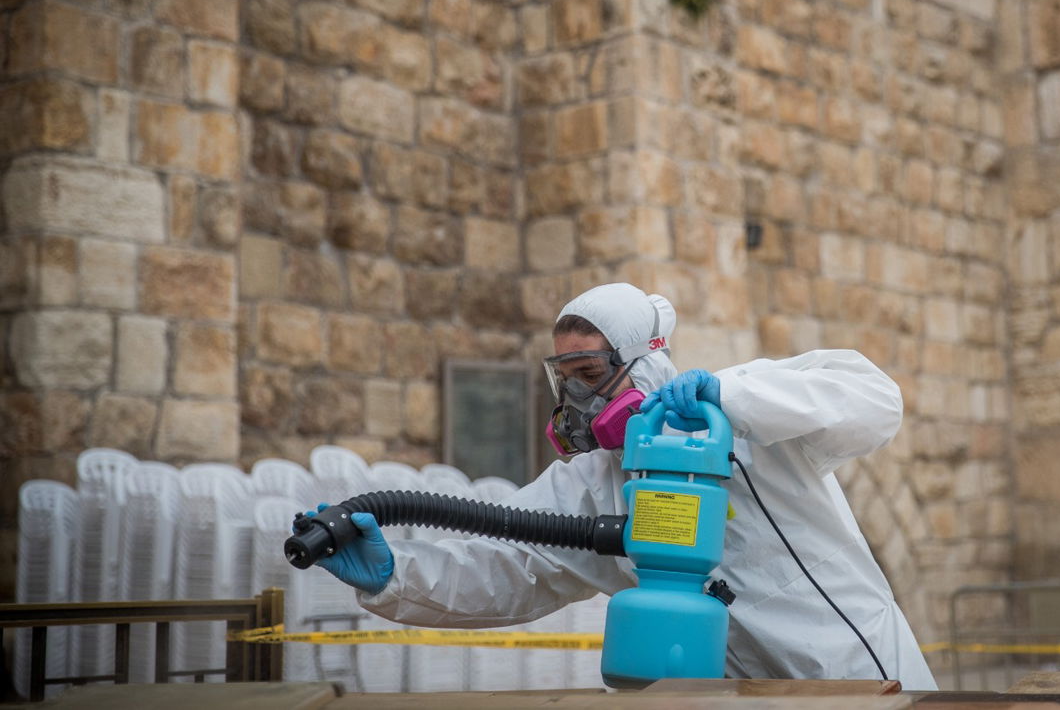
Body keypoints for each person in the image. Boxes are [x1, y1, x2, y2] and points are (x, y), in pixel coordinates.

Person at [311, 282, 937, 688]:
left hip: (863, 679)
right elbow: (511, 565)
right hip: (741, 698)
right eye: (566, 381)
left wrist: (735, 398)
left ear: (646, 362)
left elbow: (873, 398)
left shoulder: (747, 415)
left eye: (589, 373)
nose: (579, 398)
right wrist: (395, 578)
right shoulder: (590, 485)